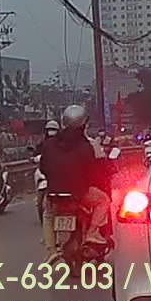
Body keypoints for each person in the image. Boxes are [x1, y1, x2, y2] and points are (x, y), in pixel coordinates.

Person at [39, 105, 110, 258]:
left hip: (54, 194)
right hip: (80, 194)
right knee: (103, 200)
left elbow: (43, 168)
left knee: (48, 215)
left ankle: (51, 251)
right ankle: (92, 233)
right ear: (84, 124)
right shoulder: (85, 145)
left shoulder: (49, 144)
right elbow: (91, 171)